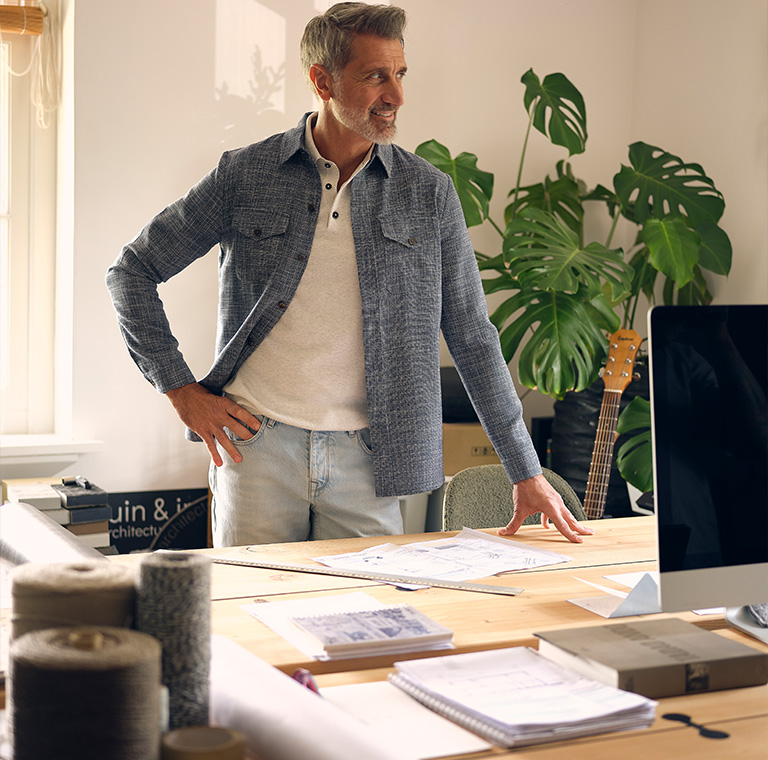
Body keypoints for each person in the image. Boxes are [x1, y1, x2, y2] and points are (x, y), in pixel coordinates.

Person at [106, 2, 593, 548]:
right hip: (257, 448)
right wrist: (180, 389)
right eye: (375, 76)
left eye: (400, 74)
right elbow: (132, 271)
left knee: (368, 625)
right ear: (322, 80)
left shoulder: (428, 192)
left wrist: (525, 472)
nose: (396, 96)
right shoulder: (245, 175)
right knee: (254, 611)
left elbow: (474, 338)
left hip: (371, 461)